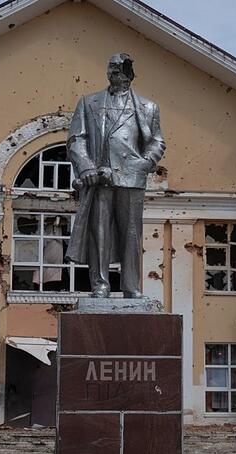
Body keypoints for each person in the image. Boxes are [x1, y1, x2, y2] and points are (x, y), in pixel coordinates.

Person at [64, 53, 165, 298]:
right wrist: (86, 167)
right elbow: (77, 138)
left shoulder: (147, 107)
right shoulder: (89, 103)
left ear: (129, 75)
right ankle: (100, 285)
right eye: (110, 68)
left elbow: (156, 142)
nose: (113, 73)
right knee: (99, 233)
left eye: (118, 70)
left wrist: (145, 163)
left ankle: (131, 286)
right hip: (100, 178)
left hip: (132, 177)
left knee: (131, 233)